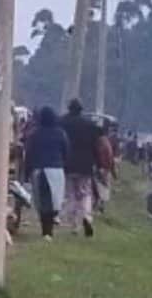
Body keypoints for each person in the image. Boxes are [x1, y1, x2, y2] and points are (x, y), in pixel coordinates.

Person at [24, 107, 69, 240]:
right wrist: (64, 165)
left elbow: (29, 153)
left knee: (42, 202)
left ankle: (46, 231)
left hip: (38, 170)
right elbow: (66, 151)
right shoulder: (61, 133)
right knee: (55, 201)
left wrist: (26, 172)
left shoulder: (34, 134)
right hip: (56, 170)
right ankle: (49, 229)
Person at [60, 99, 101, 237]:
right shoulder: (90, 125)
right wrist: (97, 163)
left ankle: (74, 226)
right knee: (85, 194)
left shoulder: (61, 123)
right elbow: (96, 146)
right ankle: (87, 217)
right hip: (85, 165)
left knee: (70, 194)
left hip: (67, 164)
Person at [93, 125, 117, 213]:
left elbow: (100, 155)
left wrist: (99, 168)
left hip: (102, 168)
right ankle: (101, 206)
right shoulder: (106, 141)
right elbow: (111, 157)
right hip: (107, 168)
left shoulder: (100, 142)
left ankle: (98, 206)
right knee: (104, 187)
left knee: (99, 187)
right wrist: (113, 173)